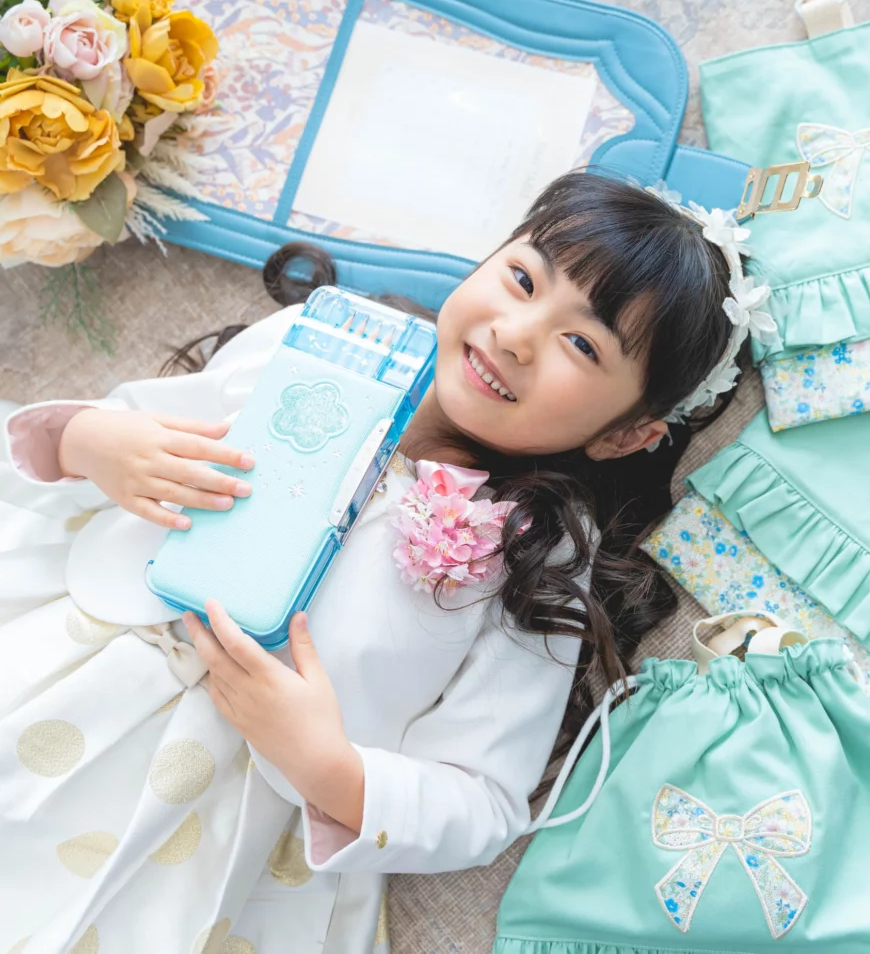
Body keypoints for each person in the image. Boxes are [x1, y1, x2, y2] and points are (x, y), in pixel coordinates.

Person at [0, 170, 772, 954]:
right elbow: (139, 431)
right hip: (77, 660)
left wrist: (331, 770)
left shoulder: (543, 554)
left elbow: (483, 798)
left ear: (627, 435)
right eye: (522, 279)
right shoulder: (327, 342)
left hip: (226, 808)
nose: (515, 334)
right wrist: (89, 442)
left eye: (582, 344)